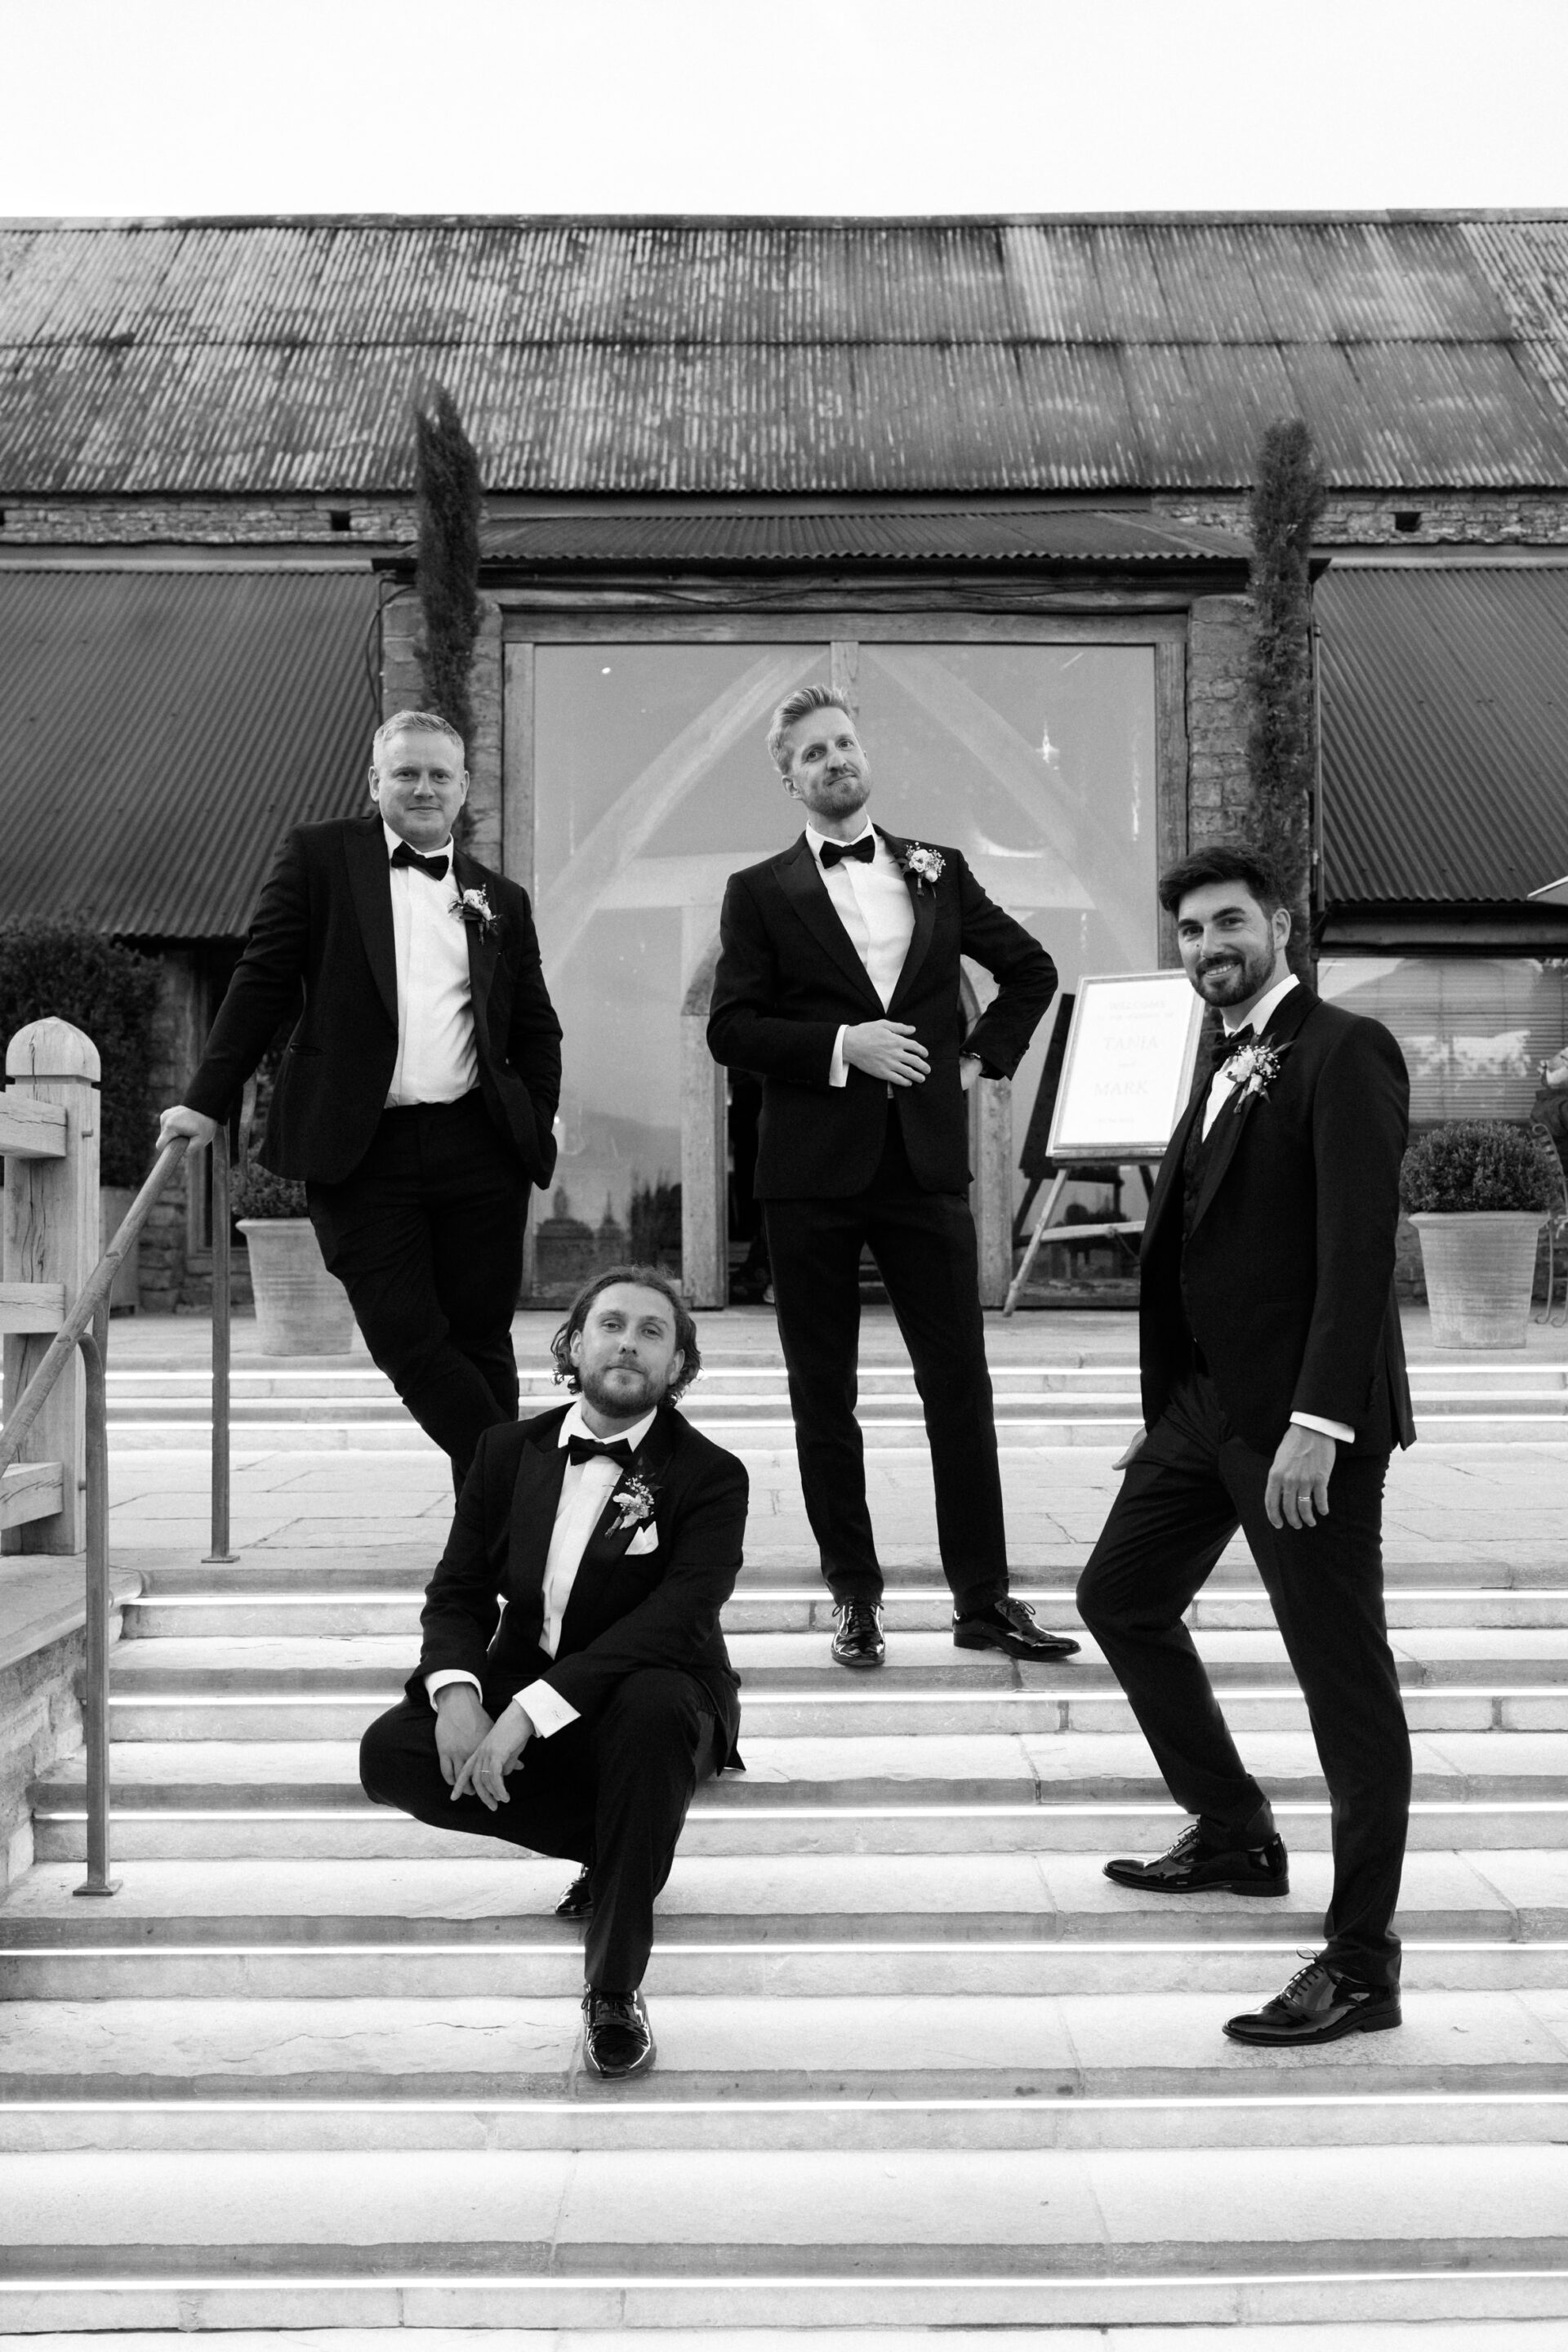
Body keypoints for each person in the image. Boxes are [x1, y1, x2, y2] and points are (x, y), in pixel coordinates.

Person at [1076, 840, 1415, 2047]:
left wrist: (1322, 1422)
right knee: (1117, 1596)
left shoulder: (1344, 1051)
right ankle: (1233, 1830)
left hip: (1301, 1426)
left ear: (1280, 924)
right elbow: (1200, 1248)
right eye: (1189, 933)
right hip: (1205, 1410)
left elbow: (1359, 1247)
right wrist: (1164, 1411)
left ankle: (1363, 1961)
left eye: (1229, 924)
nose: (1209, 948)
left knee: (1343, 1682)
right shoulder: (1219, 1058)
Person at [707, 683, 1078, 1672]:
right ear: (788, 778)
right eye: (814, 753)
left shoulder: (938, 870)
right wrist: (843, 1045)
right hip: (808, 1179)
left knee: (958, 1386)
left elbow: (1031, 969)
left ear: (864, 756)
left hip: (922, 1168)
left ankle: (984, 1600)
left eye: (845, 745)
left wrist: (978, 1058)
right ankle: (855, 1598)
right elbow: (730, 1028)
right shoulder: (757, 891)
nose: (835, 761)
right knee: (822, 1395)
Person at [359, 1267, 747, 2082]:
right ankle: (623, 1846)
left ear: (678, 1367)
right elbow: (459, 1592)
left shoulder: (711, 1476)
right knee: (392, 1753)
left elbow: (674, 1619)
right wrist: (462, 1697)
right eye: (611, 1325)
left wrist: (529, 1713)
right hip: (529, 1677)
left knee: (649, 1709)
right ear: (575, 1344)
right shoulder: (506, 1452)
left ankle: (613, 1989)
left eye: (653, 1332)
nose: (629, 1344)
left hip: (659, 1685)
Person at [158, 710, 562, 1488]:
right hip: (359, 1146)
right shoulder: (320, 857)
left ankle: (498, 1544)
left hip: (478, 1146)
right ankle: (531, 1487)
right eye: (405, 772)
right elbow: (262, 980)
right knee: (404, 1335)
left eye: (439, 774)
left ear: (464, 789)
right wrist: (207, 1098)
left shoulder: (499, 897)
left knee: (480, 1338)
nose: (423, 787)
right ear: (375, 782)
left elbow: (536, 1025)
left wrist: (530, 1119)